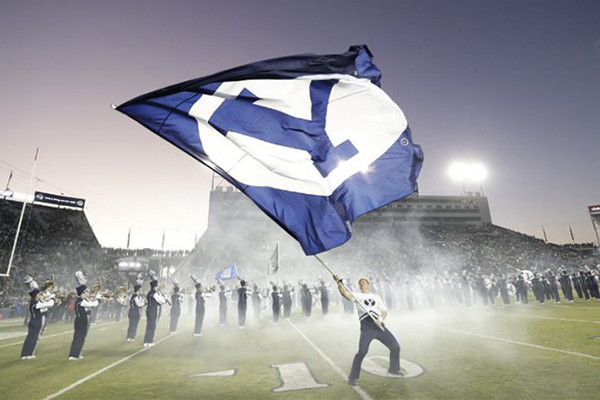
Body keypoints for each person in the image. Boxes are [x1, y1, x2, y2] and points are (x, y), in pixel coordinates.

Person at [333, 275, 402, 386]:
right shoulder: (357, 296)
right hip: (367, 329)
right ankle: (352, 377)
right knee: (362, 352)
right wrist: (338, 283)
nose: (362, 284)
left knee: (395, 346)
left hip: (379, 326)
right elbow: (344, 294)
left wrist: (380, 319)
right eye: (360, 283)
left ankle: (394, 370)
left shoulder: (376, 297)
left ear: (368, 284)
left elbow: (384, 311)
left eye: (364, 282)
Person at [69, 271, 101, 359]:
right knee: (80, 337)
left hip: (81, 320)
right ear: (82, 292)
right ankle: (75, 354)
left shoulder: (83, 299)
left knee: (79, 337)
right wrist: (98, 298)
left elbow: (91, 304)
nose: (88, 292)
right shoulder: (81, 300)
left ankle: (75, 354)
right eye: (86, 291)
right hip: (82, 320)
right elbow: (93, 304)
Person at [21, 277, 55, 360]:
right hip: (37, 321)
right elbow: (49, 304)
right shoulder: (36, 303)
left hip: (33, 321)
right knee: (35, 338)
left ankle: (24, 354)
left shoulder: (34, 302)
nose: (41, 295)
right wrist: (52, 297)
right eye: (39, 295)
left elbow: (44, 302)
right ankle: (30, 354)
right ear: (36, 296)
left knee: (29, 338)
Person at [143, 272, 168, 347]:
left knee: (149, 325)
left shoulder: (150, 292)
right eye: (157, 287)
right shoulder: (154, 293)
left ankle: (146, 341)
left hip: (149, 309)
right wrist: (165, 299)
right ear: (155, 287)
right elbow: (161, 301)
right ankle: (149, 341)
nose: (158, 288)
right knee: (152, 325)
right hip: (152, 310)